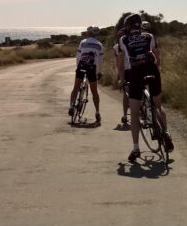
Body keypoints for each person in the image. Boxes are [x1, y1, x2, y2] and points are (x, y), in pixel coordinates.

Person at [117, 13, 174, 162]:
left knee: (135, 113)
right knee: (158, 105)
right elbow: (157, 55)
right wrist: (158, 68)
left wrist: (122, 81)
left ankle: (136, 148)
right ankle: (166, 133)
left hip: (135, 73)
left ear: (128, 27)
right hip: (152, 70)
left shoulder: (123, 39)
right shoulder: (150, 36)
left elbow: (121, 65)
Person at [69, 26, 104, 125]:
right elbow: (100, 61)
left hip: (81, 66)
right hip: (92, 68)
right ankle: (97, 112)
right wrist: (100, 72)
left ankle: (71, 106)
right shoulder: (99, 44)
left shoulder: (83, 42)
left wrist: (77, 67)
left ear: (88, 33)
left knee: (75, 87)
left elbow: (78, 56)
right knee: (94, 92)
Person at [112, 13, 132, 126]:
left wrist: (120, 77)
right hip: (135, 68)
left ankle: (125, 115)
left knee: (125, 94)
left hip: (125, 71)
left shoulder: (116, 47)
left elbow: (118, 63)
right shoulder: (131, 41)